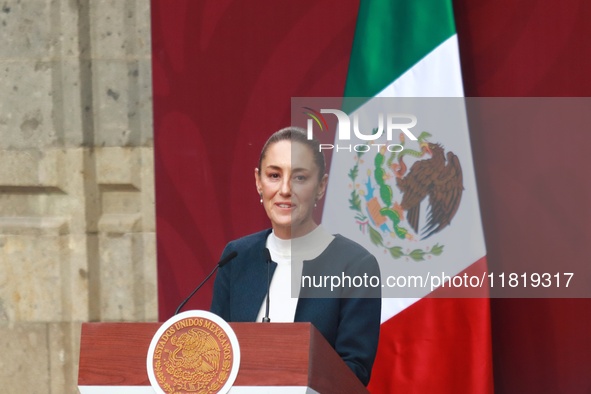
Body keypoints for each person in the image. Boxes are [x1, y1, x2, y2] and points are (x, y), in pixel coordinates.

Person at [210, 127, 381, 386]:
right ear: (259, 181)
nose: (285, 189)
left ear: (321, 185)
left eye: (300, 177)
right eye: (274, 175)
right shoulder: (236, 257)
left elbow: (353, 373)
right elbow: (215, 354)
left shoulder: (356, 266)